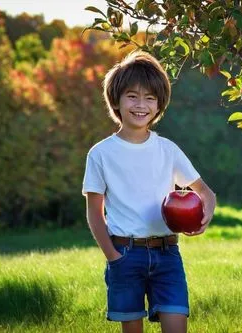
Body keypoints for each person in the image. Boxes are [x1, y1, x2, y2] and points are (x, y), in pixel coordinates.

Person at [82, 50, 216, 333]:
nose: (141, 105)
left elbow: (204, 191)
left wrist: (205, 216)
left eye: (150, 98)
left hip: (168, 254)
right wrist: (112, 256)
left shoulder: (167, 149)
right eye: (132, 96)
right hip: (124, 254)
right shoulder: (100, 154)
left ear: (159, 105)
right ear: (116, 100)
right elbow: (95, 213)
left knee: (177, 325)